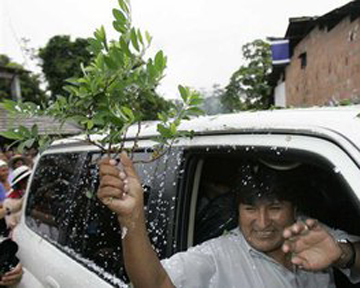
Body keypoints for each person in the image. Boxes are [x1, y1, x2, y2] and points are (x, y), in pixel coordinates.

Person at [97, 153, 360, 288]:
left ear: (295, 209)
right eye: (249, 208)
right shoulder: (217, 256)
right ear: (237, 209)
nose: (262, 222)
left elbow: (353, 254)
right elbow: (154, 284)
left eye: (275, 207)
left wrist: (343, 254)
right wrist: (132, 218)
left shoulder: (310, 231)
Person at [4, 166, 32, 231]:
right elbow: (11, 224)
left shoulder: (36, 194)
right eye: (26, 180)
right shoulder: (9, 201)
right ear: (20, 183)